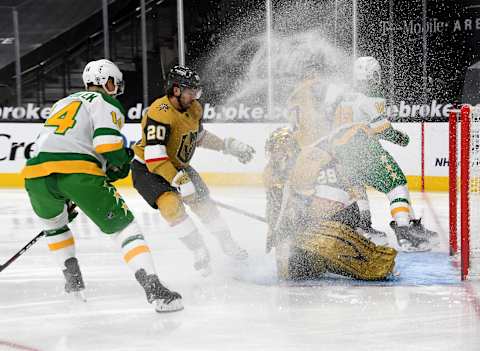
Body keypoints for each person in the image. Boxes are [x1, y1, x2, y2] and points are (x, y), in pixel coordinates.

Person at [22, 59, 182, 312]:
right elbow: (107, 145)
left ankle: (74, 286)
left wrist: (64, 193)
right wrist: (121, 163)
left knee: (54, 226)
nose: (116, 89)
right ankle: (155, 290)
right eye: (114, 84)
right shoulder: (105, 102)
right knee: (125, 228)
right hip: (77, 173)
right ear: (107, 83)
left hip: (35, 175)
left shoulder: (62, 102)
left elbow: (53, 145)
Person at [131, 65, 255, 276]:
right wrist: (179, 181)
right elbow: (155, 158)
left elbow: (199, 137)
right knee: (171, 206)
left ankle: (227, 243)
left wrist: (227, 146)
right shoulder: (159, 113)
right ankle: (199, 250)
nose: (195, 96)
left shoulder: (194, 108)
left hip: (178, 166)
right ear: (176, 90)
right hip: (148, 170)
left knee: (205, 205)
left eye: (197, 90)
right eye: (190, 90)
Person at [331, 56, 437, 251]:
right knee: (397, 184)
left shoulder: (341, 98)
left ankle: (363, 228)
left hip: (343, 155)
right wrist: (402, 139)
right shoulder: (366, 100)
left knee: (357, 188)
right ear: (373, 75)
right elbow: (384, 129)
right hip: (367, 151)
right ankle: (404, 230)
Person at [263, 127, 397, 281]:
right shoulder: (275, 171)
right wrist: (274, 229)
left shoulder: (306, 162)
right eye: (271, 151)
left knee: (314, 243)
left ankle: (368, 258)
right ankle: (319, 261)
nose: (272, 155)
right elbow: (275, 207)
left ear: (288, 150)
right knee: (296, 269)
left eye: (276, 150)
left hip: (338, 214)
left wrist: (292, 224)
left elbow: (317, 204)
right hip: (320, 214)